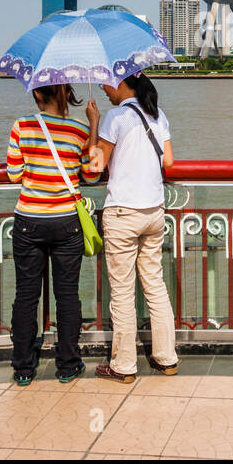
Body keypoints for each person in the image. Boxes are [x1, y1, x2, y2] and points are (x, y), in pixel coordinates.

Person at [5, 83, 99, 386]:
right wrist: (94, 123)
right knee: (67, 294)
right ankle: (68, 364)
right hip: (66, 223)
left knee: (26, 296)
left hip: (28, 221)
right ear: (67, 93)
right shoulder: (79, 130)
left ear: (36, 94)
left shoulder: (22, 126)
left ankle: (22, 367)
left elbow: (13, 174)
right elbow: (91, 175)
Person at [85, 72, 176, 383]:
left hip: (123, 213)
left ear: (120, 83)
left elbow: (95, 168)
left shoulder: (116, 116)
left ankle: (123, 365)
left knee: (122, 292)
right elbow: (169, 163)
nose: (104, 89)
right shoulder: (157, 113)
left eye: (105, 83)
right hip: (154, 210)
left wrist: (93, 122)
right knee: (155, 284)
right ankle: (167, 357)